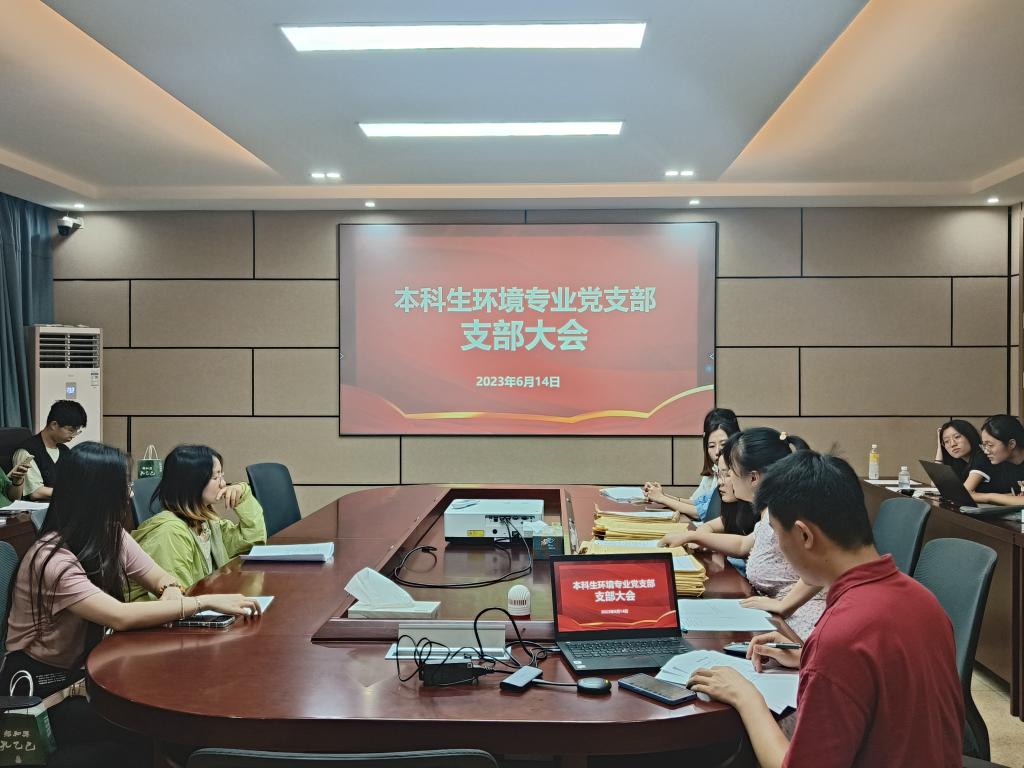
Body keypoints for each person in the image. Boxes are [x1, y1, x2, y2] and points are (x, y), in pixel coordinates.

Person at [686, 450, 963, 768]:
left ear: (804, 535)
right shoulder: (924, 599)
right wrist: (806, 656)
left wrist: (746, 698)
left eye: (776, 533)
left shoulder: (840, 635)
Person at [1, 442, 260, 767]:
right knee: (157, 726)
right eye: (125, 485)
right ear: (100, 493)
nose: (131, 494)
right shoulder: (52, 560)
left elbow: (160, 577)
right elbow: (119, 616)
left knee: (172, 716)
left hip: (87, 673)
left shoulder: (111, 535)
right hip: (44, 693)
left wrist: (170, 590)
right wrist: (201, 602)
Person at [659, 427, 825, 639]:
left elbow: (821, 566)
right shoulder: (770, 510)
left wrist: (784, 605)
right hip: (777, 613)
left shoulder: (785, 512)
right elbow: (744, 544)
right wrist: (694, 535)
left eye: (731, 472)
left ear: (753, 478)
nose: (727, 478)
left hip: (799, 620)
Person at [129, 444, 267, 600]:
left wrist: (243, 494)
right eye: (215, 477)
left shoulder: (206, 523)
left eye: (221, 475)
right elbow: (177, 603)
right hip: (180, 612)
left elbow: (251, 542)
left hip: (201, 605)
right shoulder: (170, 533)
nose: (223, 484)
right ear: (192, 483)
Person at [644, 408, 740, 521]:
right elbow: (699, 502)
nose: (717, 452)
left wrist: (662, 498)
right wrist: (661, 495)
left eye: (723, 444)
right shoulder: (715, 469)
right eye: (711, 446)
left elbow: (703, 512)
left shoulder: (738, 474)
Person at [690, 452, 757, 575]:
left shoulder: (768, 514)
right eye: (719, 475)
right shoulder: (737, 508)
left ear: (753, 477)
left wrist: (698, 538)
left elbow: (741, 546)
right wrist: (701, 537)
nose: (720, 482)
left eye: (727, 475)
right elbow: (709, 525)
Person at [12, 399, 87, 500]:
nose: (74, 435)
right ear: (54, 425)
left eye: (77, 431)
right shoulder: (27, 451)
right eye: (71, 430)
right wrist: (71, 492)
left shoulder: (65, 450)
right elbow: (36, 492)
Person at [964, 413, 1024, 505]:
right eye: (984, 445)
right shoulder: (998, 460)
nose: (986, 451)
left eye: (990, 445)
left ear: (1011, 444)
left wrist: (989, 497)